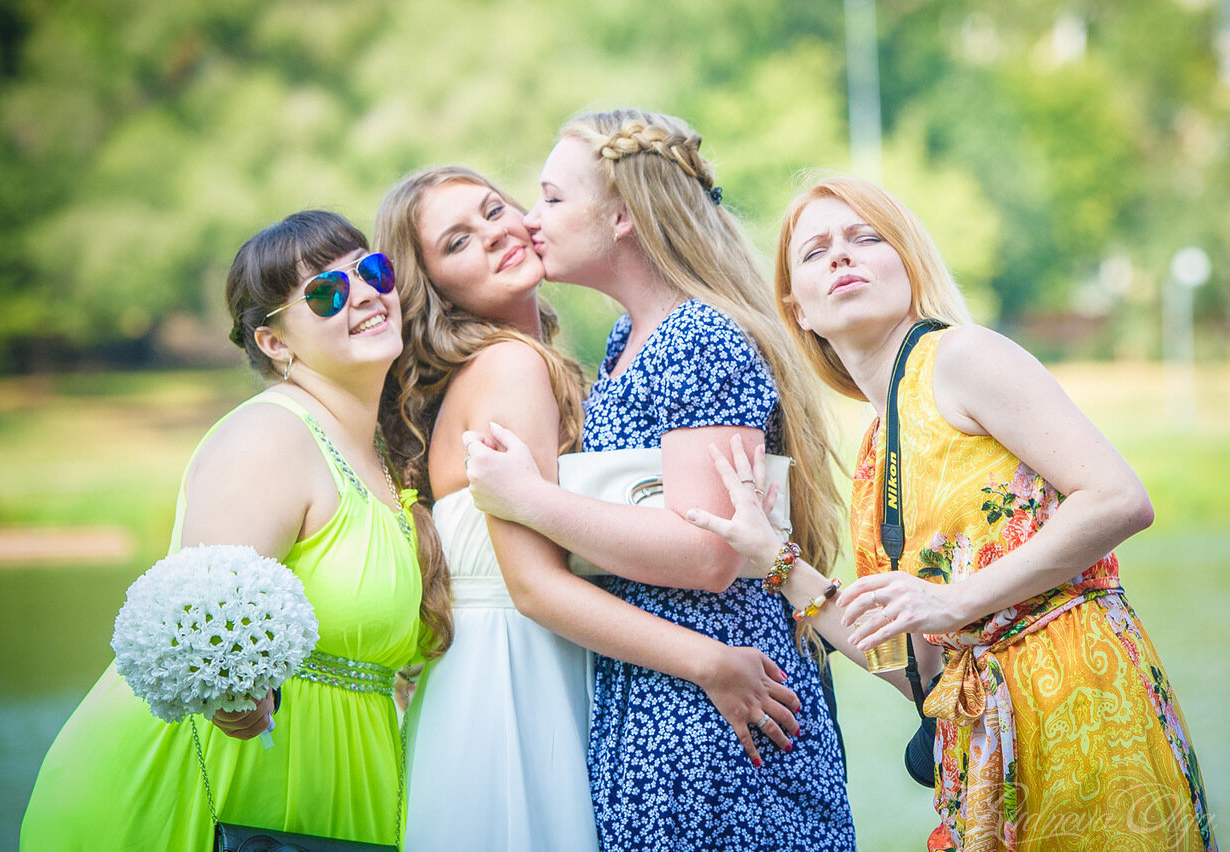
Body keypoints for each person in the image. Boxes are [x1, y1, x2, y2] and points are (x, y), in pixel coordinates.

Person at [695, 173, 1216, 851]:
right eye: (816, 251)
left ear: (909, 264)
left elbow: (1118, 498)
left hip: (1083, 706)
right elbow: (912, 667)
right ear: (799, 312)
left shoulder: (962, 356)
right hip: (984, 748)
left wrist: (955, 599)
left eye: (864, 238)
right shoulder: (877, 445)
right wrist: (775, 558)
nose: (840, 255)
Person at [374, 166, 808, 851]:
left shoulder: (551, 361)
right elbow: (534, 587)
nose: (494, 234)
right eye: (457, 242)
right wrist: (710, 662)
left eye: (494, 210)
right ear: (433, 288)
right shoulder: (512, 368)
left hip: (541, 661)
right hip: (516, 676)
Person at [463, 110, 856, 851]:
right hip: (656, 692)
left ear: (621, 217)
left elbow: (709, 553)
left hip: (718, 716)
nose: (530, 218)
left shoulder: (698, 335)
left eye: (552, 197)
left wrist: (529, 499)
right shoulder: (628, 339)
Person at [20, 210, 451, 850]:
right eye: (327, 293)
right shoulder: (271, 437)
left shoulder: (383, 454)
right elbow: (203, 624)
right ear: (275, 343)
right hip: (197, 801)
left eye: (372, 271)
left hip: (328, 797)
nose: (363, 293)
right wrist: (239, 696)